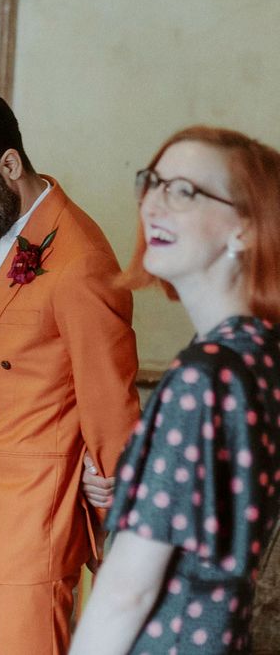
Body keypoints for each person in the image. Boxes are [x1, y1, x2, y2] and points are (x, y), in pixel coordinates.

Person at [0, 88, 139, 653]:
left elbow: (111, 404)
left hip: (32, 525)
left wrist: (118, 521)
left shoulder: (82, 263)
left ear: (8, 164)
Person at [70, 126, 280, 654]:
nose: (152, 203)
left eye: (184, 191)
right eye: (153, 182)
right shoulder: (260, 353)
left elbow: (126, 590)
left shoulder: (204, 374)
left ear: (246, 230)